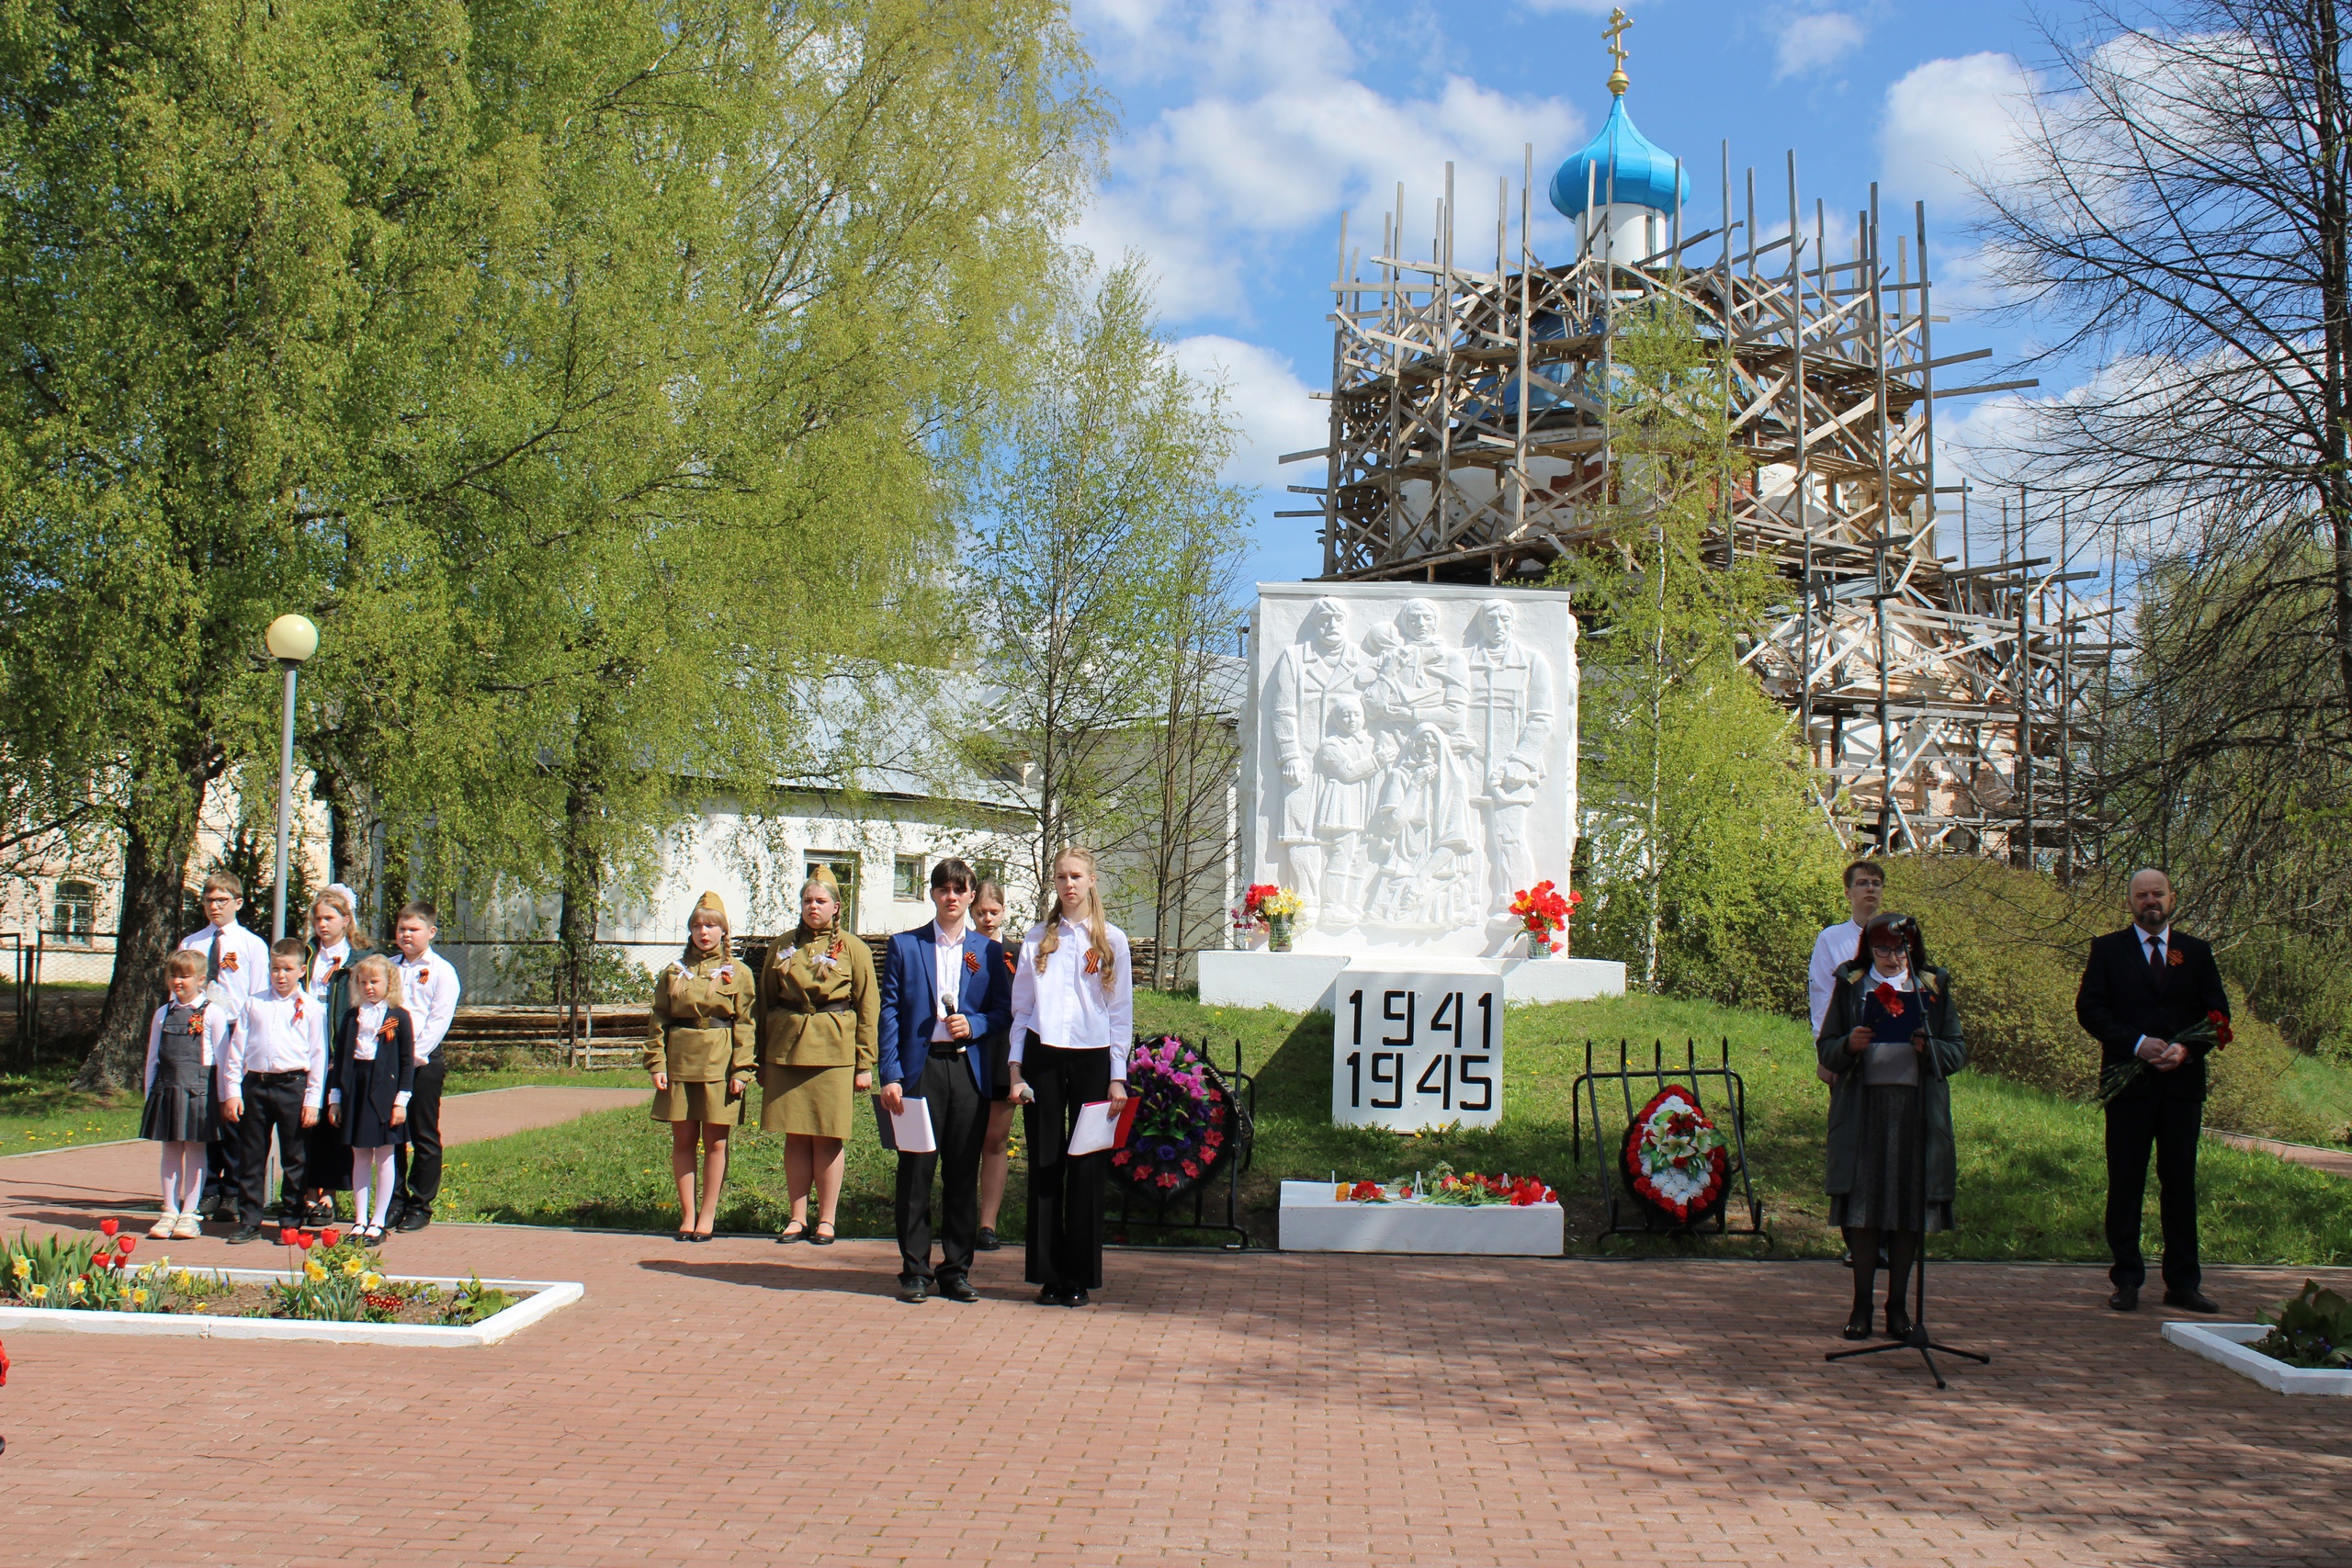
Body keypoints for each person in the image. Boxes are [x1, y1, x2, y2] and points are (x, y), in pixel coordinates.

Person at [2075, 867, 2229, 1314]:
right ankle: (2126, 1278)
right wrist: (2137, 1044)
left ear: (2172, 898)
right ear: (2130, 902)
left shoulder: (2194, 952)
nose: (2150, 902)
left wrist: (2186, 1048)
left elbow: (2218, 1015)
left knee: (2179, 1183)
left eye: (2157, 894)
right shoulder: (2108, 949)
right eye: (2142, 895)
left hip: (2181, 1089)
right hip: (2130, 1086)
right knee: (2126, 1182)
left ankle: (2183, 1283)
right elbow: (2090, 1009)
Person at [1815, 912, 1966, 1341]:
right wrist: (1849, 1044)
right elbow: (1828, 1049)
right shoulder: (1852, 984)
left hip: (1915, 1112)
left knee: (1907, 1211)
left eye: (1900, 949)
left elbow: (1957, 1051)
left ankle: (1897, 1307)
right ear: (1869, 949)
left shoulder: (1932, 987)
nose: (1892, 957)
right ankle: (1861, 1304)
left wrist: (1929, 1047)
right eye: (1882, 949)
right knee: (1863, 1210)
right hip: (1865, 1109)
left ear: (1913, 949)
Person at [877, 859, 1013, 1304]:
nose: (951, 897)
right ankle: (914, 1270)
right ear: (932, 894)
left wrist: (972, 1025)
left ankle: (956, 1269)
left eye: (960, 889)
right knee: (916, 1169)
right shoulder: (905, 945)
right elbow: (891, 1011)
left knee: (961, 1171)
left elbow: (1002, 1012)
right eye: (943, 889)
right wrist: (891, 1073)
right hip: (921, 1070)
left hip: (967, 1070)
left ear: (972, 896)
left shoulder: (989, 952)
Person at [1008, 847, 1134, 1308]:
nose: (1069, 884)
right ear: (1054, 884)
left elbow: (1120, 1013)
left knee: (1085, 1166)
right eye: (1061, 877)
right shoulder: (1037, 937)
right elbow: (1021, 1009)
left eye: (1076, 876)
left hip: (1093, 1059)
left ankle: (1079, 1274)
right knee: (1045, 1161)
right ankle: (1048, 1273)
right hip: (1043, 1055)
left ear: (1092, 880)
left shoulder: (1111, 940)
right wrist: (1016, 1069)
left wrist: (1117, 1076)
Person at [757, 867, 876, 1246]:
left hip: (833, 1052)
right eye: (808, 900)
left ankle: (826, 1219)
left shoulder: (853, 949)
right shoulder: (782, 946)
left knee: (828, 1136)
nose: (813, 907)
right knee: (795, 1135)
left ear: (836, 907)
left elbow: (868, 1007)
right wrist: (760, 1056)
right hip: (787, 1049)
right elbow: (765, 1001)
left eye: (820, 901)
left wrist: (864, 1063)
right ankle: (796, 1217)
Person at [645, 892, 756, 1242]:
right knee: (683, 1139)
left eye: (711, 925)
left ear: (724, 930)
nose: (703, 932)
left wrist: (743, 1069)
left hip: (719, 1063)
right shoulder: (675, 971)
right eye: (697, 925)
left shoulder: (738, 972)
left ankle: (708, 1214)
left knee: (716, 1141)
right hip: (680, 1061)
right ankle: (687, 1214)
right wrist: (656, 1062)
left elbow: (747, 1023)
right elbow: (659, 1018)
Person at [177, 872, 271, 1219]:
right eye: (208, 901)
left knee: (233, 1113)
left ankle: (234, 1189)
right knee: (205, 1112)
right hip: (199, 1033)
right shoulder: (193, 942)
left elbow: (259, 995)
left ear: (238, 903)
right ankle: (208, 1188)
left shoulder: (251, 944)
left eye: (222, 901)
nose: (214, 907)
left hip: (235, 1031)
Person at [221, 939, 328, 1244]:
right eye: (275, 969)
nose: (281, 976)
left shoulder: (311, 1008)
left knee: (294, 1157)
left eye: (288, 969)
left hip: (293, 1086)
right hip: (256, 1085)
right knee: (252, 1156)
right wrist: (232, 1090)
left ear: (301, 971)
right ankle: (250, 1220)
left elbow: (318, 1056)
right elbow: (236, 1050)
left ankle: (290, 1220)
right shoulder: (254, 1003)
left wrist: (313, 1100)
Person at [140, 949, 232, 1238]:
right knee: (170, 1149)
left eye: (185, 976)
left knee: (195, 1151)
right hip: (167, 1089)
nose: (178, 981)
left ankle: (189, 1214)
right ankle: (169, 1210)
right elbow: (152, 1057)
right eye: (174, 975)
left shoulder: (213, 1013)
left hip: (199, 1093)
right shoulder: (162, 1013)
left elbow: (223, 1059)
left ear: (201, 979)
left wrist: (225, 1098)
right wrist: (149, 1094)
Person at [328, 954, 415, 1245]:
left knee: (386, 1155)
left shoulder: (399, 1017)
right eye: (362, 982)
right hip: (356, 1088)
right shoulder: (352, 1017)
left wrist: (401, 1101)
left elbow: (405, 1061)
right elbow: (340, 1060)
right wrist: (335, 1098)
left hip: (385, 1092)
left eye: (374, 981)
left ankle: (379, 1220)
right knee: (360, 1155)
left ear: (388, 982)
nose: (368, 987)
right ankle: (359, 1219)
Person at [388, 901, 460, 1232]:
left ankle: (420, 1205)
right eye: (402, 928)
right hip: (387, 1061)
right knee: (391, 1134)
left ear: (430, 932)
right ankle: (393, 1200)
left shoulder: (442, 971)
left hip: (422, 1062)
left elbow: (438, 1020)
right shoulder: (388, 967)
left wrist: (413, 1056)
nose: (406, 934)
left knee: (422, 1132)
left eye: (413, 929)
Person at [296, 886, 367, 1224]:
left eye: (329, 918)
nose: (322, 925)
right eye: (317, 918)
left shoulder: (357, 959)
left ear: (346, 920)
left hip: (340, 1049)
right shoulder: (305, 956)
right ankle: (306, 1192)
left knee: (333, 1123)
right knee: (305, 1123)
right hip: (303, 1048)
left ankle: (328, 1195)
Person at [1808, 861, 1886, 1089]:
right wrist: (1824, 1053)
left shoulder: (1897, 937)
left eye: (1876, 884)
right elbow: (1822, 996)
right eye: (1862, 883)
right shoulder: (1831, 939)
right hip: (1847, 1047)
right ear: (1848, 892)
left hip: (1892, 1048)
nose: (1870, 888)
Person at [973, 883, 1019, 1249]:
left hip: (1004, 1055)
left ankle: (988, 1224)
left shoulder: (1018, 953)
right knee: (961, 1140)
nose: (987, 919)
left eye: (993, 912)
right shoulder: (960, 951)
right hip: (967, 1052)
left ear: (1004, 911)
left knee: (995, 1140)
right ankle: (957, 1216)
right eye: (980, 912)